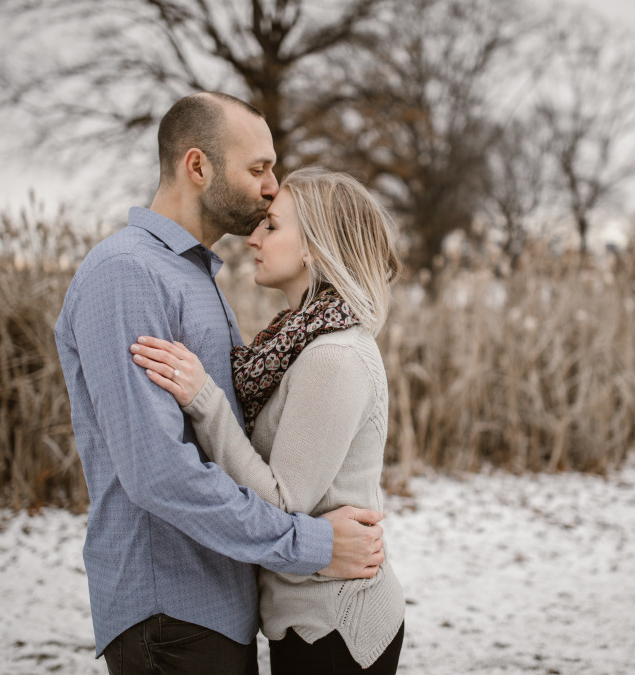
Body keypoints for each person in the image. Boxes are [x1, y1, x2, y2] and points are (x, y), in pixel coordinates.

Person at [54, 93, 386, 675]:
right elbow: (158, 472)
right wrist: (311, 546)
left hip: (218, 605)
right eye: (258, 168)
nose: (271, 186)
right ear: (198, 166)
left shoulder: (193, 273)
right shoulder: (127, 274)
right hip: (171, 610)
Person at [129, 167, 405, 674]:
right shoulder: (295, 341)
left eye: (272, 226)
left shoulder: (333, 357)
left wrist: (205, 400)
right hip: (304, 615)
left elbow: (280, 503)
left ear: (313, 249)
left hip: (333, 626)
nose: (252, 238)